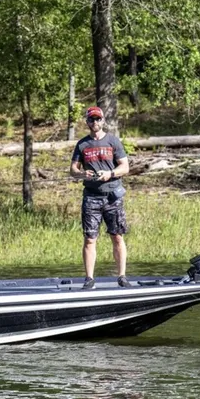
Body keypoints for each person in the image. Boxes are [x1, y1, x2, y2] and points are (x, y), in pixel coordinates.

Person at [69, 106, 131, 289]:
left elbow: (125, 167)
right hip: (91, 198)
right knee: (89, 238)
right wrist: (82, 174)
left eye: (97, 119)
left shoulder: (113, 141)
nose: (94, 122)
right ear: (87, 122)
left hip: (113, 197)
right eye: (91, 120)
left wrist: (110, 174)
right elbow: (73, 170)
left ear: (103, 121)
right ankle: (89, 279)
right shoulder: (82, 144)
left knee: (117, 236)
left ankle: (122, 277)